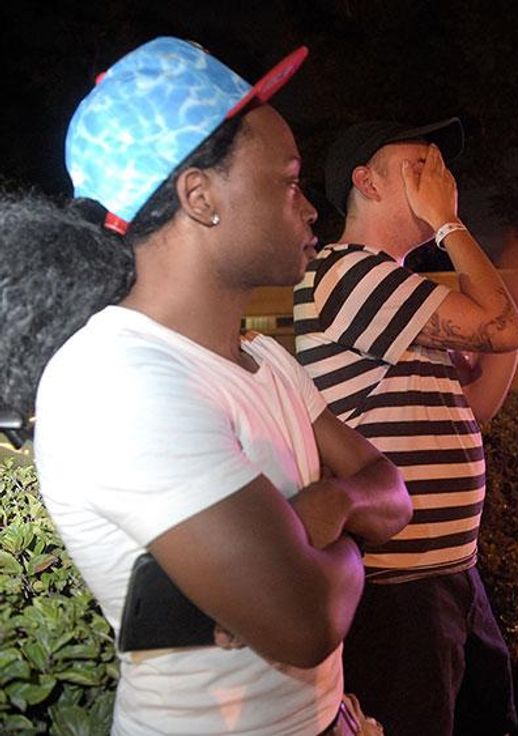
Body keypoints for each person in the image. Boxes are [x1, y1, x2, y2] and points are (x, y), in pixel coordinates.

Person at [30, 37, 412, 734]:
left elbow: (393, 495)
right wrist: (327, 535)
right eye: (288, 181)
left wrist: (328, 505)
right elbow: (306, 619)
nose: (310, 210)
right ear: (200, 197)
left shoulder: (268, 359)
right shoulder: (115, 380)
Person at [293, 118, 518, 736]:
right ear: (364, 182)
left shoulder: (398, 293)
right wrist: (452, 226)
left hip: (449, 577)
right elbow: (500, 327)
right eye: (419, 166)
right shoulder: (348, 273)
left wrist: (508, 322)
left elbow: (473, 408)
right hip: (400, 596)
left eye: (440, 168)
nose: (439, 180)